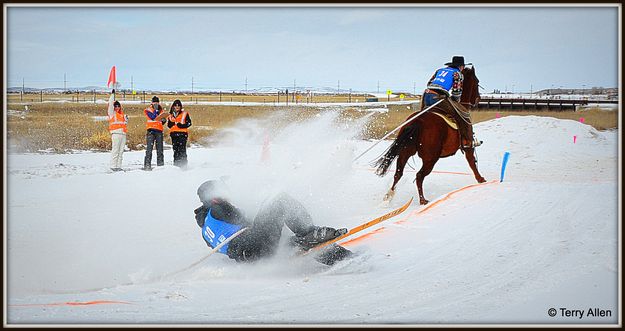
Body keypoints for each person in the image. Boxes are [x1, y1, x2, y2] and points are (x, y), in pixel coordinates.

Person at [193, 180, 353, 265]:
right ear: (214, 197)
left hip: (250, 255)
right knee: (278, 200)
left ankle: (345, 259)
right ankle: (309, 231)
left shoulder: (206, 227)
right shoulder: (217, 208)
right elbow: (246, 221)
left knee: (298, 243)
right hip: (252, 245)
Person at [421, 55, 480, 148]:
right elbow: (457, 92)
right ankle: (467, 140)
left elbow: (429, 83)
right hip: (438, 98)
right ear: (461, 66)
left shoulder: (439, 70)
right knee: (462, 114)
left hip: (426, 95)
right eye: (463, 67)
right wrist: (455, 101)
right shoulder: (458, 74)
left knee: (423, 114)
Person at [143, 96, 167, 170]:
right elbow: (153, 117)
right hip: (151, 131)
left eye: (157, 102)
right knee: (149, 149)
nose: (156, 103)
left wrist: (164, 120)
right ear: (152, 102)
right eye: (154, 102)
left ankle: (160, 165)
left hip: (159, 131)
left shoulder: (161, 111)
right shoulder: (148, 110)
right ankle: (147, 165)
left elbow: (162, 120)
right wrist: (157, 112)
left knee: (160, 150)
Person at [167, 99, 192, 168]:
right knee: (175, 150)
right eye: (176, 105)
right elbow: (168, 125)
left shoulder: (185, 114)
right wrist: (171, 124)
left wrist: (182, 125)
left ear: (180, 107)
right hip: (174, 135)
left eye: (178, 105)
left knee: (182, 150)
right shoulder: (170, 115)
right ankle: (176, 166)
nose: (177, 107)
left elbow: (189, 123)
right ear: (173, 107)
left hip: (182, 134)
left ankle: (184, 165)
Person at [107, 90, 127, 171]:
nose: (117, 107)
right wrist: (112, 95)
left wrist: (126, 120)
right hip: (116, 134)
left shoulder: (122, 115)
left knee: (121, 151)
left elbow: (124, 124)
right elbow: (110, 104)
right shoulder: (112, 113)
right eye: (116, 106)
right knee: (115, 150)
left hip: (123, 134)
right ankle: (113, 166)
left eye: (118, 106)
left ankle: (118, 166)